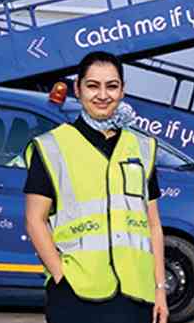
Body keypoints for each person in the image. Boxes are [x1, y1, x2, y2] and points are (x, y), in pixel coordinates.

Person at [24, 52, 168, 323]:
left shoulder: (142, 148)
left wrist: (159, 289)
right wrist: (60, 275)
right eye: (93, 86)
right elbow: (34, 220)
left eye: (111, 86)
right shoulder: (52, 146)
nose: (103, 95)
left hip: (135, 294)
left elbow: (153, 225)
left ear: (122, 91)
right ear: (78, 90)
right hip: (76, 294)